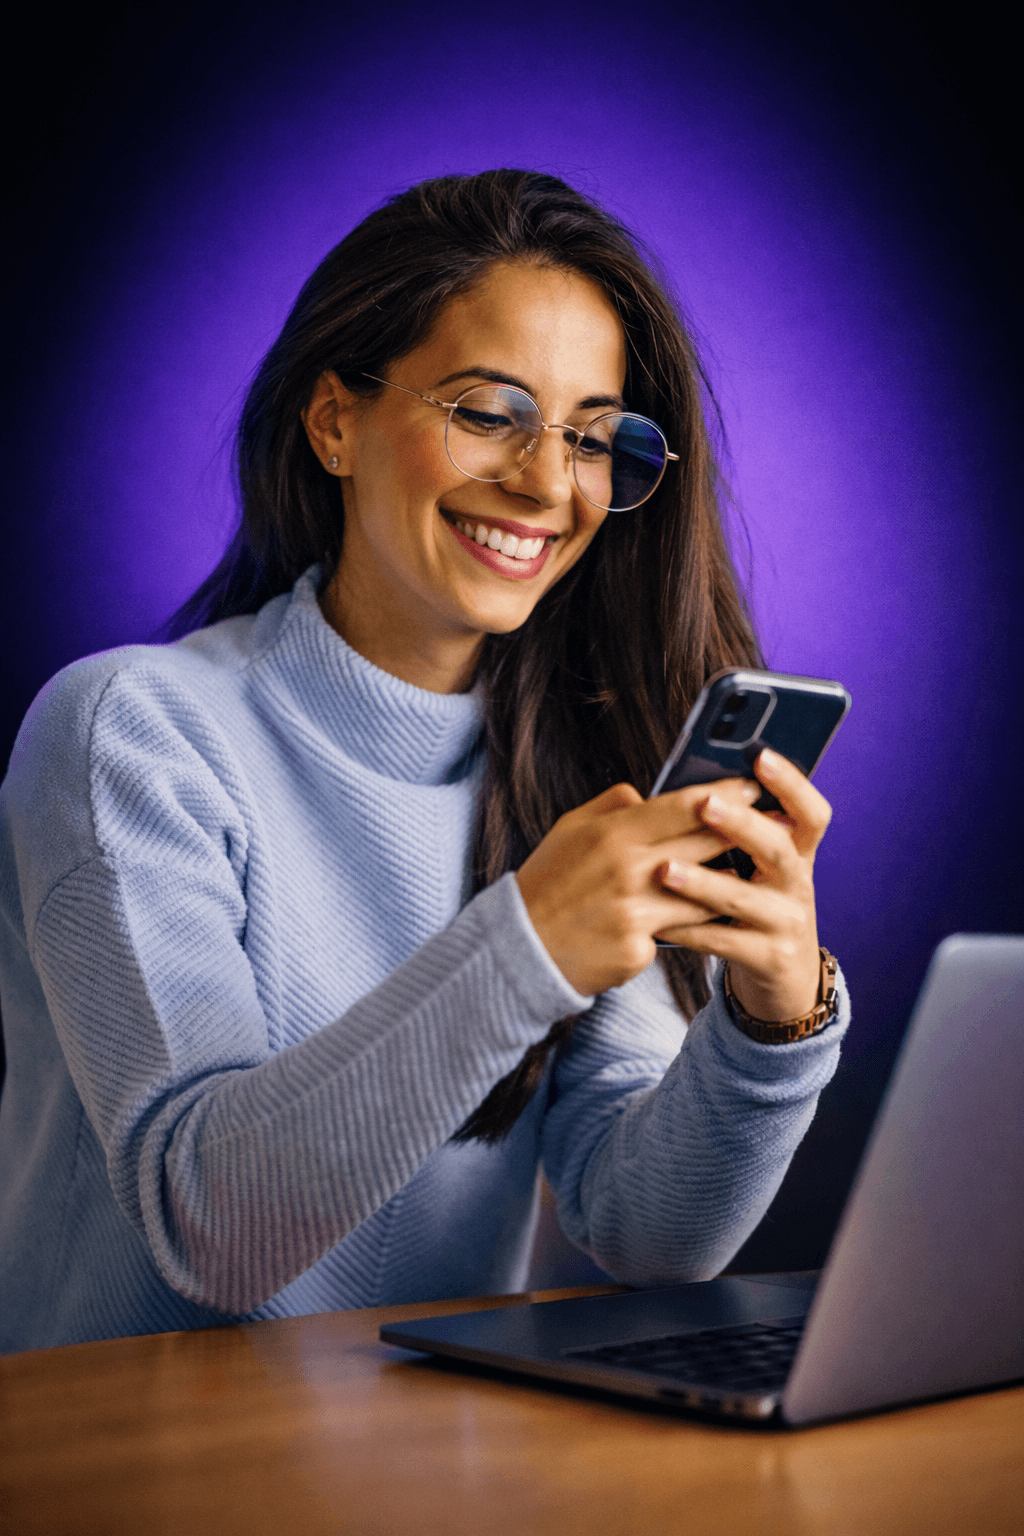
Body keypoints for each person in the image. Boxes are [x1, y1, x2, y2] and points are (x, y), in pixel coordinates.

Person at [0, 170, 849, 1353]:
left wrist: (772, 1024)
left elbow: (646, 1232)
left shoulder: (573, 776)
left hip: (429, 1472)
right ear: (333, 421)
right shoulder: (126, 732)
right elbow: (211, 1230)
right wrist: (528, 943)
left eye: (595, 439)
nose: (550, 485)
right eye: (488, 411)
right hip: (129, 1468)